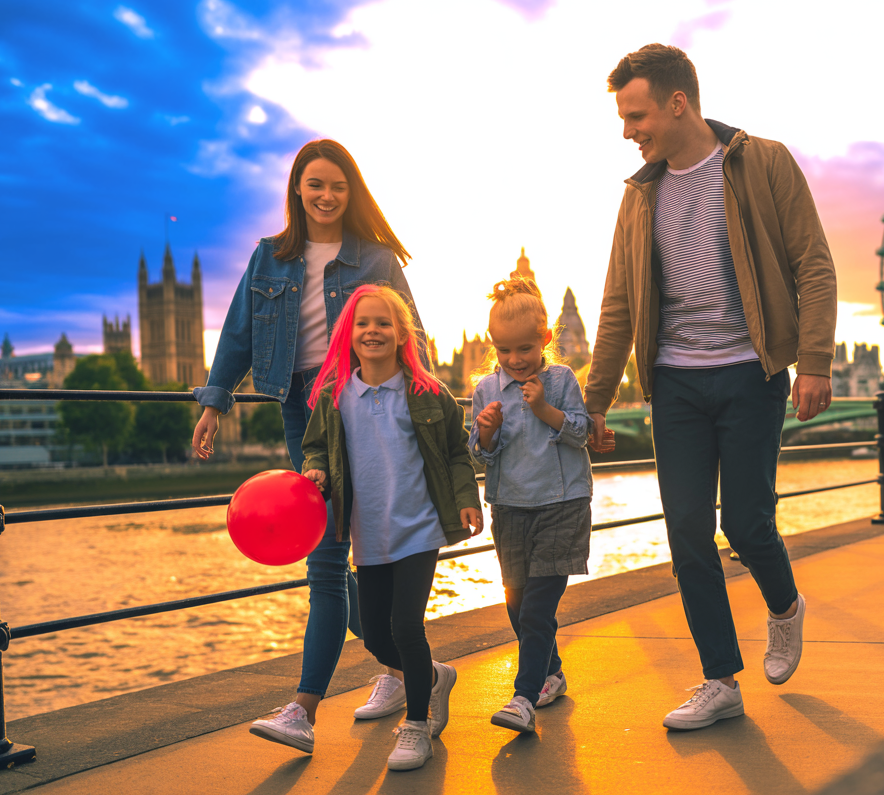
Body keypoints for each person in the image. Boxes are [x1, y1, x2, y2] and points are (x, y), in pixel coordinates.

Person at [584, 44, 837, 730]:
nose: (627, 131)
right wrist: (592, 403)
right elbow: (617, 307)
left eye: (636, 115)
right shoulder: (639, 195)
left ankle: (784, 607)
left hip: (751, 373)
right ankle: (718, 678)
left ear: (677, 103)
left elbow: (812, 263)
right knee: (687, 532)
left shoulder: (762, 162)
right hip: (675, 385)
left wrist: (815, 359)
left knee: (747, 522)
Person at [192, 139, 426, 746]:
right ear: (297, 188)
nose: (326, 196)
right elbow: (238, 334)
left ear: (352, 192)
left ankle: (316, 702)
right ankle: (400, 673)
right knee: (326, 555)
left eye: (337, 186)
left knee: (361, 551)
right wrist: (215, 402)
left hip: (364, 402)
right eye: (314, 184)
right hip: (302, 409)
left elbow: (411, 336)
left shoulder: (374, 258)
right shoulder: (268, 257)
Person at [293, 284, 482, 771]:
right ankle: (433, 677)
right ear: (348, 336)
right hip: (368, 533)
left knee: (405, 626)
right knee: (376, 634)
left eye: (383, 323)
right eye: (363, 324)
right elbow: (316, 448)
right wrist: (317, 471)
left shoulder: (427, 393)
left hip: (419, 528)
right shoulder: (335, 397)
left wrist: (466, 501)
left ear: (402, 334)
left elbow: (457, 453)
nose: (372, 331)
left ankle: (416, 726)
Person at [467, 276, 596, 734]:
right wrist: (486, 430)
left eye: (524, 349)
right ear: (492, 345)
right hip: (511, 508)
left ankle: (523, 696)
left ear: (544, 340)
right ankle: (552, 674)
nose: (515, 361)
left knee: (538, 607)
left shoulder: (561, 380)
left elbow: (582, 433)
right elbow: (480, 454)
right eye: (504, 351)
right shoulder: (486, 390)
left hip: (562, 504)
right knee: (518, 607)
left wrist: (544, 409)